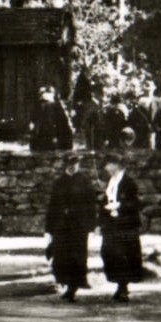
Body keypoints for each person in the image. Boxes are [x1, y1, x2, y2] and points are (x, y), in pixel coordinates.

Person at [44, 151, 97, 300]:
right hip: (61, 226)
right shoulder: (59, 182)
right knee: (62, 256)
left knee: (77, 257)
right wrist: (49, 228)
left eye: (75, 163)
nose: (73, 166)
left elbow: (91, 204)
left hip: (78, 227)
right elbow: (52, 206)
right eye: (70, 164)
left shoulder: (84, 181)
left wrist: (91, 225)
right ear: (65, 165)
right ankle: (66, 285)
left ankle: (73, 288)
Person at [98, 149, 144, 301]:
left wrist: (119, 205)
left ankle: (123, 287)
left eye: (108, 165)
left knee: (123, 255)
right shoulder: (111, 182)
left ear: (116, 165)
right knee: (109, 253)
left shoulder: (129, 183)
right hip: (111, 225)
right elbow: (104, 201)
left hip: (125, 225)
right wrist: (101, 219)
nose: (106, 168)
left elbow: (135, 203)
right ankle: (118, 284)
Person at [29, 86, 74, 152]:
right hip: (50, 142)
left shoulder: (52, 108)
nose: (43, 104)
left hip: (54, 142)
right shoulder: (42, 109)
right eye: (42, 102)